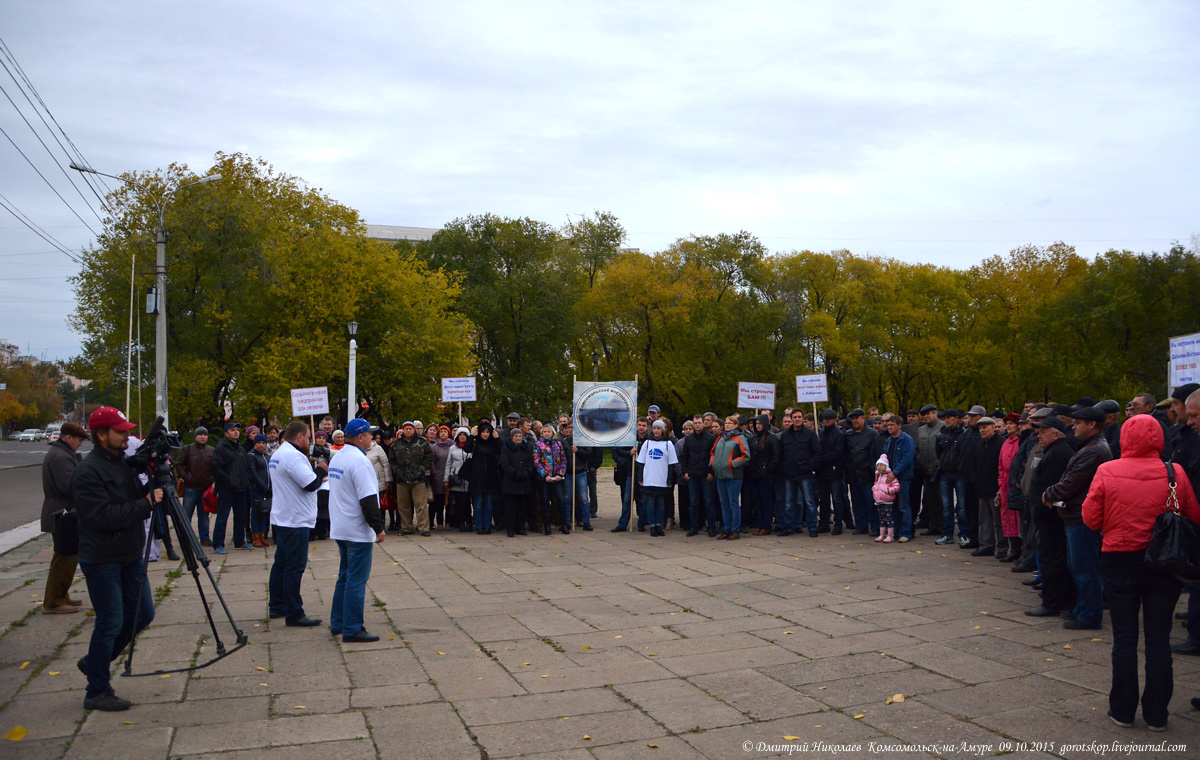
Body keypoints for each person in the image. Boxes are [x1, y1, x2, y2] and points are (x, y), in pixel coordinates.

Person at [1083, 413, 1200, 730]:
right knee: (1159, 638)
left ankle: (1122, 710)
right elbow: (1192, 515)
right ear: (1159, 438)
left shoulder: (1107, 470)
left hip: (1119, 558)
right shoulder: (1174, 471)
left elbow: (1091, 518)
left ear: (1124, 438)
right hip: (1163, 561)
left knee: (1124, 637)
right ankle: (1157, 714)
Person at [70, 407, 160, 712]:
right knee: (111, 622)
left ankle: (95, 661)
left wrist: (155, 481)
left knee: (143, 613)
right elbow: (101, 516)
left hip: (129, 553)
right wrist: (146, 503)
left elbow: (134, 495)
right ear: (101, 435)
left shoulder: (121, 462)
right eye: (120, 431)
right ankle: (97, 690)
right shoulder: (87, 472)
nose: (126, 436)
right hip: (102, 557)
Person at [1042, 405, 1112, 629]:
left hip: (1082, 516)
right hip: (1077, 514)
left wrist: (1049, 493)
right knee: (1079, 567)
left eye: (1078, 423)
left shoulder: (1094, 450)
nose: (1074, 427)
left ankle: (1089, 615)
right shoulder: (1090, 447)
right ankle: (1083, 609)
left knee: (1085, 568)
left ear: (1092, 425)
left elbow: (1072, 482)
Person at [327, 418, 386, 643]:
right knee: (356, 579)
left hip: (341, 526)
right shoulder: (360, 462)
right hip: (356, 529)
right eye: (369, 434)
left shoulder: (339, 456)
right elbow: (368, 499)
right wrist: (378, 527)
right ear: (360, 437)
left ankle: (339, 622)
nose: (372, 437)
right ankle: (352, 628)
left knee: (345, 575)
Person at [268, 420, 326, 628]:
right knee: (294, 566)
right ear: (299, 437)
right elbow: (310, 484)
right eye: (308, 437)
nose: (309, 442)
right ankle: (294, 612)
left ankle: (277, 605)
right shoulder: (293, 456)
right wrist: (321, 470)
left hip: (284, 516)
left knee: (281, 563)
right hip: (295, 519)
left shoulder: (279, 453)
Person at [1024, 416, 1077, 618]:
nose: (1039, 436)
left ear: (1056, 434)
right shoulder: (1055, 451)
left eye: (1043, 432)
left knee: (1052, 559)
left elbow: (1050, 487)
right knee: (1053, 558)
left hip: (1052, 519)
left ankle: (1053, 602)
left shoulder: (1058, 453)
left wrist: (1041, 508)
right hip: (1049, 518)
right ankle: (1058, 600)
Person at [41, 422, 86, 614]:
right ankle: (54, 602)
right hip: (62, 512)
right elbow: (68, 486)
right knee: (64, 558)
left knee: (68, 557)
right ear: (68, 438)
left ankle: (61, 595)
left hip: (61, 511)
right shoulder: (61, 457)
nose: (80, 443)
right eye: (79, 439)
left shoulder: (62, 454)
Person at [779, 408, 822, 537]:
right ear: (791, 419)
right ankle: (789, 526)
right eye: (795, 417)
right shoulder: (785, 435)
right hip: (789, 473)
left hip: (805, 473)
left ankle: (812, 527)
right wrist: (784, 468)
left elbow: (817, 452)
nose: (797, 419)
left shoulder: (810, 434)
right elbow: (780, 454)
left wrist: (809, 467)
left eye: (799, 417)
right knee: (788, 502)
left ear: (803, 419)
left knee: (809, 502)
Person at [210, 422, 251, 554]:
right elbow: (216, 468)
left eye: (237, 430)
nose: (236, 432)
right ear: (226, 433)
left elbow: (247, 467)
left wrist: (246, 481)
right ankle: (218, 544)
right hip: (226, 489)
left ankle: (239, 541)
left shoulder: (241, 449)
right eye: (232, 430)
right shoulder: (221, 449)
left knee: (241, 517)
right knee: (222, 517)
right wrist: (228, 480)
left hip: (241, 489)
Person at [711, 415, 750, 540]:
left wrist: (732, 463)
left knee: (733, 504)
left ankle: (735, 529)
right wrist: (713, 463)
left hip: (734, 476)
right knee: (724, 504)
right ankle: (726, 529)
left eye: (730, 423)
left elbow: (746, 455)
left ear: (735, 425)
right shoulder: (720, 438)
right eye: (726, 423)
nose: (727, 425)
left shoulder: (740, 438)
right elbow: (712, 452)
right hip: (720, 475)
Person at [637, 419, 679, 536]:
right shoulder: (647, 443)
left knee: (661, 504)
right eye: (654, 428)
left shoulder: (668, 444)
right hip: (649, 478)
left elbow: (671, 464)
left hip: (662, 479)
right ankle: (652, 525)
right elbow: (641, 462)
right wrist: (640, 478)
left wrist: (669, 480)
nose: (656, 431)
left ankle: (659, 524)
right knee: (650, 504)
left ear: (663, 430)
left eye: (658, 428)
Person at [844, 409, 882, 536]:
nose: (855, 420)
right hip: (853, 474)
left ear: (863, 418)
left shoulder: (872, 434)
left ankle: (875, 527)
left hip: (867, 474)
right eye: (853, 418)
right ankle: (861, 525)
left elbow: (875, 453)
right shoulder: (848, 434)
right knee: (857, 502)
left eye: (857, 418)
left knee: (871, 502)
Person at [391, 421, 433, 537]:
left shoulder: (422, 442)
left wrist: (422, 469)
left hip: (418, 479)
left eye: (410, 428)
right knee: (403, 506)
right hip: (402, 479)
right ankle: (406, 527)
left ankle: (423, 528)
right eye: (406, 429)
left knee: (421, 505)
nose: (408, 430)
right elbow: (391, 460)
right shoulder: (396, 444)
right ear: (403, 430)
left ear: (414, 430)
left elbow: (429, 457)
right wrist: (397, 470)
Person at [971, 417, 1004, 557]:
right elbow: (974, 464)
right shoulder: (979, 444)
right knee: (984, 520)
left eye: (985, 427)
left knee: (998, 521)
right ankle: (986, 545)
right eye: (980, 428)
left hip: (995, 488)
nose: (982, 430)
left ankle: (1002, 548)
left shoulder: (1001, 443)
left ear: (993, 428)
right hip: (982, 488)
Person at [175, 426, 214, 547]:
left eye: (205, 435)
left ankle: (205, 538)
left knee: (204, 515)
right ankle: (185, 538)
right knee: (186, 515)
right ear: (195, 436)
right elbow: (178, 465)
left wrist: (211, 478)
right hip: (191, 488)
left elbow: (216, 466)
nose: (203, 437)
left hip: (205, 488)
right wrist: (187, 477)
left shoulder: (211, 450)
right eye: (200, 434)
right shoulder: (187, 449)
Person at [680, 413, 717, 537]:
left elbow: (714, 456)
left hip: (706, 475)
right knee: (693, 503)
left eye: (699, 423)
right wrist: (685, 471)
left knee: (708, 502)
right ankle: (694, 527)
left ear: (703, 423)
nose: (697, 425)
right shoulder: (689, 439)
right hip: (693, 475)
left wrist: (711, 472)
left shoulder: (711, 438)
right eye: (695, 423)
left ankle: (711, 527)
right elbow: (684, 456)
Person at [881, 413, 916, 542]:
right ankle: (894, 532)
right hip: (890, 477)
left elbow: (907, 459)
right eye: (888, 425)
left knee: (904, 506)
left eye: (892, 425)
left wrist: (895, 473)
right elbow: (884, 457)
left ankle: (906, 532)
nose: (889, 427)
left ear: (899, 425)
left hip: (903, 477)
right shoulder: (889, 440)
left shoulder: (907, 440)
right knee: (893, 506)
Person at [815, 410, 849, 535]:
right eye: (824, 419)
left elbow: (838, 452)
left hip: (834, 471)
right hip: (822, 472)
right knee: (824, 499)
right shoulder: (821, 434)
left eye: (828, 419)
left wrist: (822, 459)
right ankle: (824, 523)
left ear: (834, 420)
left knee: (836, 499)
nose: (825, 421)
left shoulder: (839, 434)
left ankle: (838, 524)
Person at [996, 413, 1024, 563]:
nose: (1008, 426)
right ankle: (1014, 548)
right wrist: (1001, 485)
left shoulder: (1021, 442)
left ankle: (1022, 549)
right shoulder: (1006, 443)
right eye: (1006, 424)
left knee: (1018, 517)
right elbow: (1001, 466)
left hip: (1017, 483)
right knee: (1007, 515)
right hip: (1006, 483)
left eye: (1011, 424)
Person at [914, 404, 945, 535]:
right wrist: (920, 460)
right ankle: (934, 526)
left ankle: (945, 527)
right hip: (926, 470)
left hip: (941, 471)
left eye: (928, 414)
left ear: (935, 414)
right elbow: (917, 449)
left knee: (942, 500)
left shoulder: (943, 427)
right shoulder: (921, 430)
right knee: (930, 500)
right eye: (923, 415)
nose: (926, 417)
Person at [499, 428, 536, 536]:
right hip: (511, 481)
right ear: (512, 437)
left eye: (520, 436)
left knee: (522, 507)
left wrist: (526, 472)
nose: (518, 438)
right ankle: (510, 528)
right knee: (511, 507)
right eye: (516, 436)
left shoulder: (527, 447)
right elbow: (504, 464)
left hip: (524, 481)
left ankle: (520, 527)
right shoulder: (506, 448)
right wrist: (515, 473)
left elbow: (531, 462)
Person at [467, 421, 502, 534]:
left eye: (488, 432)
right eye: (483, 432)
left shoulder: (493, 443)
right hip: (477, 478)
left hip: (491, 478)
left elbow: (500, 450)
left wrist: (497, 438)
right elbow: (467, 448)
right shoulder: (476, 443)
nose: (485, 434)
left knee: (489, 504)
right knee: (478, 504)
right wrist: (472, 436)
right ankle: (479, 525)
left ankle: (487, 525)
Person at [560, 419, 594, 531]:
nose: (570, 430)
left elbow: (588, 454)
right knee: (567, 498)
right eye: (568, 428)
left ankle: (586, 521)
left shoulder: (583, 441)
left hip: (580, 472)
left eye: (572, 428)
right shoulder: (564, 442)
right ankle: (567, 522)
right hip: (569, 473)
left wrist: (578, 451)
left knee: (584, 498)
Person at [533, 423, 566, 534]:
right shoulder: (538, 445)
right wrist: (544, 475)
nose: (547, 433)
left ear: (553, 433)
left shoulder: (558, 444)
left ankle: (564, 524)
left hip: (556, 477)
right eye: (545, 432)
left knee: (561, 500)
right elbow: (536, 461)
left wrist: (560, 474)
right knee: (544, 501)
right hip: (544, 479)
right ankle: (546, 525)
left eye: (549, 432)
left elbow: (563, 460)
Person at [443, 427, 473, 532]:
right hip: (456, 478)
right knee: (458, 502)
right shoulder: (452, 448)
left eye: (464, 435)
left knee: (467, 502)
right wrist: (446, 479)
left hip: (468, 479)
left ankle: (468, 521)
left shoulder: (472, 448)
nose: (462, 437)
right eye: (460, 435)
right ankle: (460, 523)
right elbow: (448, 464)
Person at [365, 427, 393, 530]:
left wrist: (388, 480)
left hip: (379, 481)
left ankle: (381, 526)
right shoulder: (358, 449)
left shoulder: (378, 448)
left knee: (380, 505)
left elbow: (386, 464)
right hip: (366, 482)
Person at [247, 434, 272, 547]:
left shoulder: (267, 456)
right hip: (256, 488)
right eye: (258, 443)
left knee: (264, 511)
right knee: (256, 512)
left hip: (267, 489)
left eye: (263, 443)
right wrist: (263, 486)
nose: (261, 445)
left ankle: (262, 534)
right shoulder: (251, 456)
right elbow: (253, 473)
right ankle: (255, 535)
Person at [872, 454, 901, 543]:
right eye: (877, 465)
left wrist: (889, 491)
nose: (879, 467)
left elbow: (896, 486)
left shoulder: (889, 476)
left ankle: (890, 536)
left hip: (887, 501)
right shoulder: (878, 476)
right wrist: (874, 489)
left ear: (886, 466)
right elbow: (876, 485)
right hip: (879, 501)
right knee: (882, 519)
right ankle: (882, 534)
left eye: (881, 465)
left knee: (889, 519)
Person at [430, 425, 454, 530]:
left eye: (445, 431)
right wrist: (435, 473)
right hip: (438, 477)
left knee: (449, 501)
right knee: (439, 502)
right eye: (441, 431)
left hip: (450, 476)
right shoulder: (435, 446)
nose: (443, 433)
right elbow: (432, 462)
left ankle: (448, 522)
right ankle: (439, 522)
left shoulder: (452, 445)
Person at [310, 430, 332, 541]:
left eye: (323, 438)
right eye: (319, 438)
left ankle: (323, 531)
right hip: (316, 483)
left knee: (324, 509)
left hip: (326, 483)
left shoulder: (329, 451)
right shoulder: (311, 451)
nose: (321, 440)